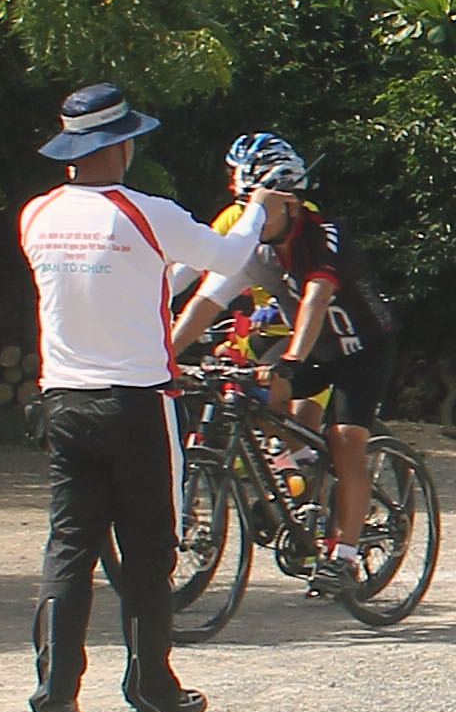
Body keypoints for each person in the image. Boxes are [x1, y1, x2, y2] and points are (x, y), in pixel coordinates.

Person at [18, 83, 269, 712]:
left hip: (64, 400)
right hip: (136, 402)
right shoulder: (144, 213)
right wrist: (259, 209)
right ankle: (151, 686)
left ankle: (55, 689)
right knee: (150, 550)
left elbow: (141, 277)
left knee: (69, 546)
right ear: (123, 144)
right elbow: (228, 256)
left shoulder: (38, 216)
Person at [169, 133, 401, 599]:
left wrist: (292, 360)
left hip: (361, 349)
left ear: (291, 203)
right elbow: (204, 302)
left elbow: (316, 299)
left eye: (261, 207)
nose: (251, 217)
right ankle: (303, 475)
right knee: (269, 402)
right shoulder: (253, 248)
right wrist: (162, 354)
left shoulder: (323, 234)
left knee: (346, 442)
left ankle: (346, 555)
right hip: (312, 346)